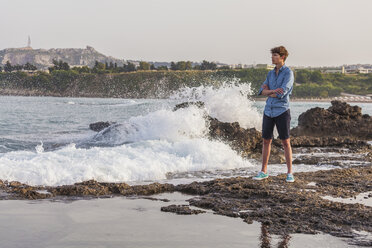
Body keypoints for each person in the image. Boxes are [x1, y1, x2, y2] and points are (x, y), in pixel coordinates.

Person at [253, 46, 295, 182]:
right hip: (268, 110)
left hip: (282, 110)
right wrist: (271, 91)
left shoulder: (288, 73)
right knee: (266, 141)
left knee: (285, 142)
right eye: (272, 55)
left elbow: (282, 92)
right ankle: (263, 171)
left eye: (275, 55)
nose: (272, 57)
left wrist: (269, 92)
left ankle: (290, 173)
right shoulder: (270, 74)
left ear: (282, 57)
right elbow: (261, 90)